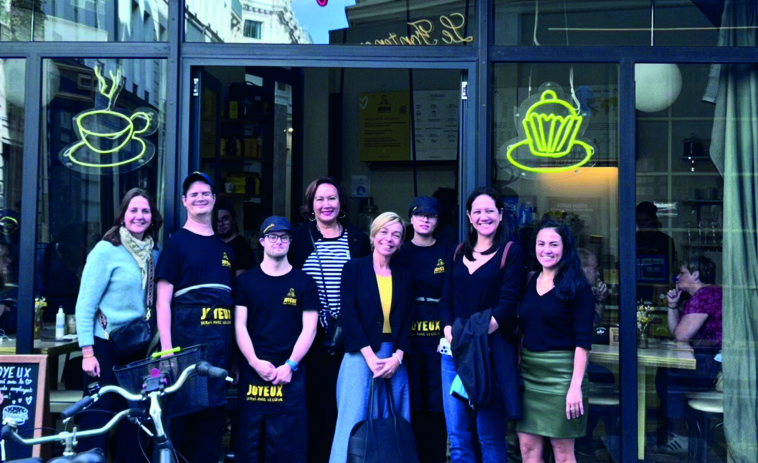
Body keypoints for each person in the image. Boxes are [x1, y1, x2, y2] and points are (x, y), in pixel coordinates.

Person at [75, 187, 163, 462]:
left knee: (137, 416)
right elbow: (85, 305)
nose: (139, 216)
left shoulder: (154, 252)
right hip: (105, 346)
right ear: (122, 215)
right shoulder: (106, 250)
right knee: (98, 415)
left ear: (152, 217)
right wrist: (87, 352)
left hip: (139, 346)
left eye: (145, 211)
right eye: (133, 210)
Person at [439, 187, 525, 462]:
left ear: (500, 215)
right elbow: (446, 301)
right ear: (468, 216)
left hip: (489, 356)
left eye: (489, 211)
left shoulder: (511, 252)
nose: (483, 216)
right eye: (477, 211)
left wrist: (468, 338)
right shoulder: (456, 252)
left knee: (489, 437)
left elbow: (506, 306)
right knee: (458, 438)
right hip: (453, 355)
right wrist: (449, 333)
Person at [288, 176, 371, 463]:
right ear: (310, 205)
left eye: (332, 198)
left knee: (344, 408)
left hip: (348, 338)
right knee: (311, 406)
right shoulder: (298, 238)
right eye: (319, 199)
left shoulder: (357, 239)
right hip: (308, 337)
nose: (326, 204)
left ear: (341, 202)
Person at [156, 171, 236, 463]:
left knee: (210, 437)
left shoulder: (226, 250)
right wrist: (167, 351)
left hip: (218, 357)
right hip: (183, 356)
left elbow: (230, 307)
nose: (200, 198)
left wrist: (233, 359)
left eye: (205, 193)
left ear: (213, 199)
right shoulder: (176, 244)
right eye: (194, 194)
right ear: (184, 201)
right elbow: (163, 302)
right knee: (179, 433)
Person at [329, 212, 414, 463]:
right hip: (360, 356)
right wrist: (369, 357)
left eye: (396, 235)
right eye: (384, 232)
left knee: (394, 422)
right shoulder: (354, 269)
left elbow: (408, 318)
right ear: (373, 235)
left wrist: (398, 357)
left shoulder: (404, 274)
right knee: (353, 422)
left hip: (395, 359)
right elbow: (349, 314)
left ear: (401, 243)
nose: (389, 238)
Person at [234, 216, 319, 462]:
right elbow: (239, 326)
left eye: (284, 236)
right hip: (254, 370)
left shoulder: (304, 282)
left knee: (289, 444)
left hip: (290, 371)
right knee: (251, 443)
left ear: (291, 241)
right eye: (272, 236)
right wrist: (254, 362)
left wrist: (290, 365)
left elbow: (310, 329)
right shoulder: (245, 282)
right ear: (261, 241)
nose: (278, 241)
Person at [516, 219, 595, 463]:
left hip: (563, 377)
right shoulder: (528, 281)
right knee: (528, 450)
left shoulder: (578, 286)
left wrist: (575, 387)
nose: (546, 250)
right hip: (529, 376)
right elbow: (522, 329)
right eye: (541, 244)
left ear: (565, 247)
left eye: (553, 244)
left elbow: (583, 342)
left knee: (563, 455)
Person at [394, 196, 452, 463]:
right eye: (420, 215)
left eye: (431, 215)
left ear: (437, 221)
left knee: (438, 403)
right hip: (409, 337)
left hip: (439, 337)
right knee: (413, 400)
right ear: (411, 219)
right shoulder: (400, 252)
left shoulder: (448, 252)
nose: (425, 220)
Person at [656, 256, 722, 453]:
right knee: (667, 372)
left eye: (682, 272)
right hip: (714, 362)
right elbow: (678, 335)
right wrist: (672, 306)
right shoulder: (706, 294)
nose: (677, 277)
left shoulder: (705, 295)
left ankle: (680, 435)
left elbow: (681, 336)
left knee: (668, 377)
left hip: (712, 365)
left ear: (696, 274)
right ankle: (676, 430)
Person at [636, 201, 677, 304]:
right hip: (636, 287)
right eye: (638, 221)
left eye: (645, 220)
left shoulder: (665, 240)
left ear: (654, 219)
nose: (641, 224)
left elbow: (670, 266)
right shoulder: (632, 239)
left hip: (659, 288)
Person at [217, 200, 256, 275]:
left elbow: (240, 277)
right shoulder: (216, 244)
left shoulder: (241, 248)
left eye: (225, 219)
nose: (221, 224)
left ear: (234, 219)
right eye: (217, 220)